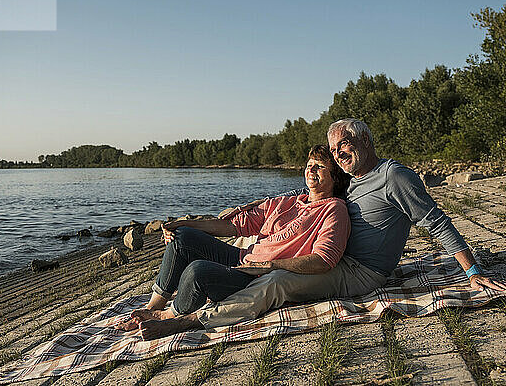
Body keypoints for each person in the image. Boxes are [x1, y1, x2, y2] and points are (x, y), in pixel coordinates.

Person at [132, 118, 506, 339]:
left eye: (346, 144)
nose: (340, 152)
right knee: (215, 252)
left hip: (360, 272)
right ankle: (160, 303)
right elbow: (291, 202)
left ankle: (188, 320)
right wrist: (187, 221)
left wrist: (471, 271)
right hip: (329, 259)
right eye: (334, 149)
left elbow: (436, 221)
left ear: (365, 140)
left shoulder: (394, 176)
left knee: (276, 283)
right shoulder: (350, 180)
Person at [117, 145, 352, 340]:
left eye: (320, 167)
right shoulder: (286, 202)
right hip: (241, 258)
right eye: (309, 165)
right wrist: (184, 224)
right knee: (182, 238)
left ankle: (168, 317)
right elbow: (233, 226)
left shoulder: (334, 209)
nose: (311, 171)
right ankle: (153, 308)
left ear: (335, 177)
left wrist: (272, 266)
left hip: (255, 276)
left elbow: (324, 260)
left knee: (198, 271)